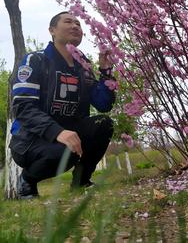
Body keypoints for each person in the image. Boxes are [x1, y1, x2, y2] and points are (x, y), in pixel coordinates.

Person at [10, 11, 115, 199]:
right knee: (68, 151)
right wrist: (57, 132)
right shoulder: (35, 61)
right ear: (52, 30)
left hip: (71, 131)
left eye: (78, 24)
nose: (75, 26)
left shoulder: (84, 67)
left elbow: (103, 104)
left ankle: (81, 182)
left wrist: (106, 72)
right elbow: (23, 108)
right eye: (68, 22)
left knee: (104, 123)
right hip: (31, 139)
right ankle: (27, 181)